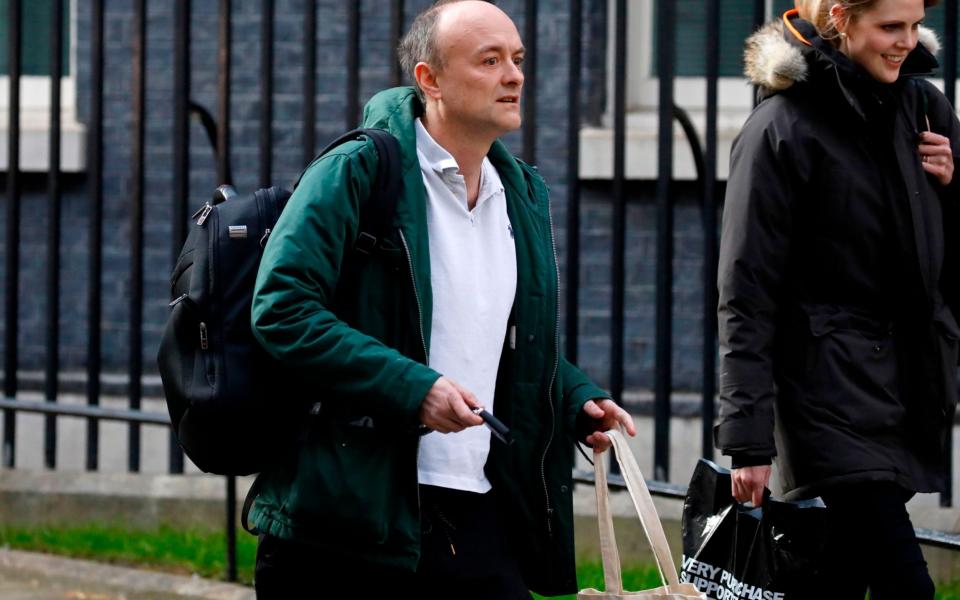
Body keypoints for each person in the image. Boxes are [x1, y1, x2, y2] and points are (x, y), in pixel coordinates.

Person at [246, 1, 635, 598]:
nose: (514, 75)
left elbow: (492, 334)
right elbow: (282, 309)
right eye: (489, 60)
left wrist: (576, 396)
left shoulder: (519, 192)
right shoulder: (357, 171)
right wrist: (414, 389)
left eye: (517, 59)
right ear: (429, 79)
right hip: (351, 517)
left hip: (478, 505)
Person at [716, 0, 958, 597]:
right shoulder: (780, 127)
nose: (906, 42)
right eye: (888, 27)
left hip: (904, 386)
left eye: (913, 26)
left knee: (839, 578)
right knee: (907, 583)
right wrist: (746, 438)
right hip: (824, 396)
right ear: (842, 21)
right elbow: (746, 293)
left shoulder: (922, 108)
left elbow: (938, 260)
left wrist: (955, 187)